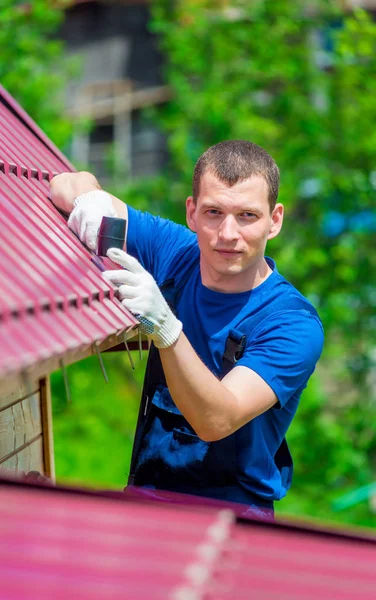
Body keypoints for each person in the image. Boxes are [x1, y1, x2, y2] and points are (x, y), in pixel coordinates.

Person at [50, 140, 324, 516]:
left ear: (274, 220)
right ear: (192, 213)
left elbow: (217, 419)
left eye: (247, 216)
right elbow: (67, 183)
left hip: (232, 516)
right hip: (146, 501)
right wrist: (91, 204)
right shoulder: (178, 253)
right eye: (214, 212)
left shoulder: (292, 323)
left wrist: (167, 328)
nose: (228, 234)